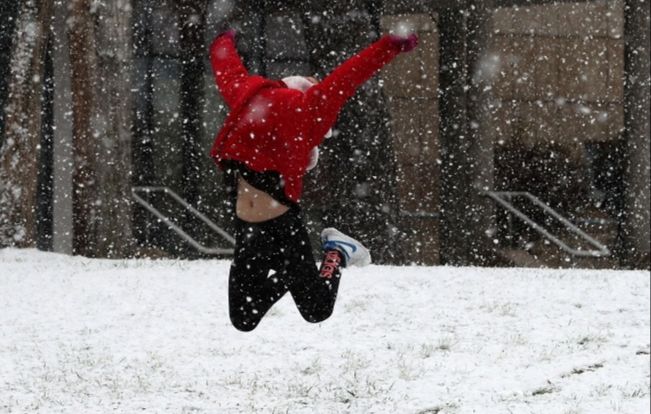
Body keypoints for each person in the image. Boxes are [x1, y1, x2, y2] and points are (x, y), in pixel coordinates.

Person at [209, 29, 418, 331]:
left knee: (263, 314)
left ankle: (336, 251)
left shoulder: (248, 95)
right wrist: (390, 46)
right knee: (295, 311)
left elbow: (225, 66)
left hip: (278, 227)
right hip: (255, 229)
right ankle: (332, 254)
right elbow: (351, 74)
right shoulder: (302, 106)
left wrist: (222, 39)